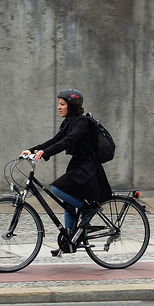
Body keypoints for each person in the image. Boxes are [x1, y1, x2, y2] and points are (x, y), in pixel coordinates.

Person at [21, 89, 112, 256]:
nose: (58, 107)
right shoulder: (69, 122)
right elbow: (55, 140)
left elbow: (68, 141)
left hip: (88, 167)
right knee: (68, 202)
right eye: (59, 104)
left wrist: (46, 153)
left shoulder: (82, 123)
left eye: (62, 104)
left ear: (72, 106)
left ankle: (87, 209)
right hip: (78, 165)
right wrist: (32, 150)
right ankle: (70, 241)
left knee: (57, 189)